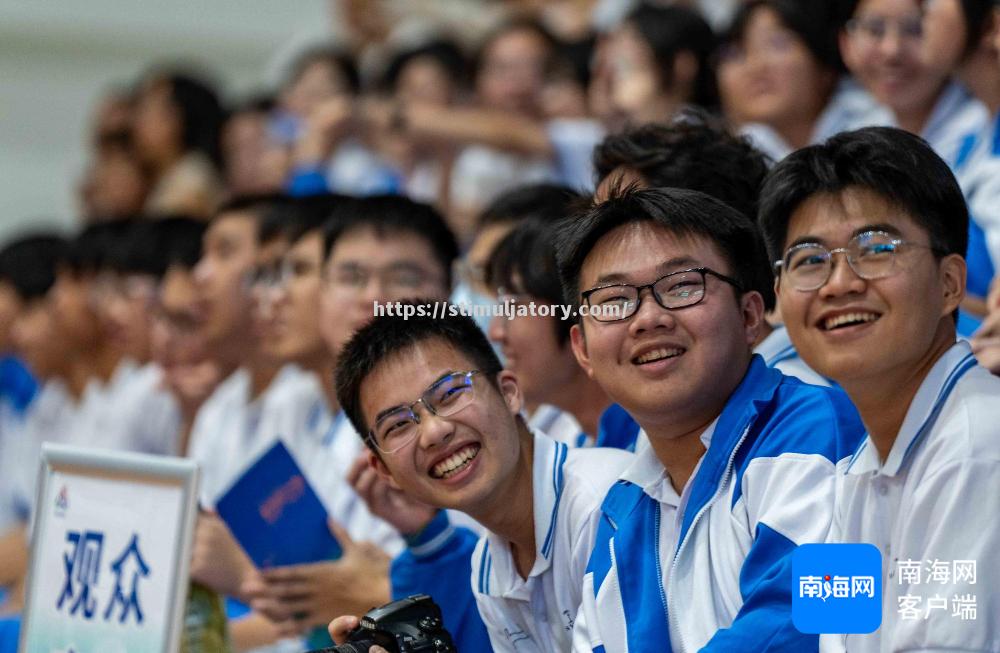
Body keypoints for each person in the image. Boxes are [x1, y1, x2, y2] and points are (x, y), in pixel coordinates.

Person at [554, 187, 865, 651]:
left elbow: (825, 618)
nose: (648, 318)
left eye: (681, 286)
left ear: (750, 315)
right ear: (583, 349)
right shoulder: (621, 512)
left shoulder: (819, 431)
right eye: (615, 300)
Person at [758, 126, 1000, 652]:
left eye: (876, 249)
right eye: (810, 260)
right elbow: (829, 637)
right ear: (778, 296)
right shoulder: (857, 464)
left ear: (950, 284)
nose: (839, 283)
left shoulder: (979, 448)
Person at [327, 309, 633, 652]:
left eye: (449, 394)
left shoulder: (605, 505)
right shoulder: (488, 565)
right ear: (383, 471)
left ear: (509, 392)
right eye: (398, 425)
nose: (434, 431)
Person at [716, 0, 886, 162]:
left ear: (824, 63)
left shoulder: (881, 128)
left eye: (778, 43)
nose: (755, 66)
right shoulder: (726, 155)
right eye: (735, 53)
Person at [838, 0, 989, 161]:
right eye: (875, 30)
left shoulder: (982, 133)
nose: (892, 51)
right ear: (846, 43)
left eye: (915, 29)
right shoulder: (855, 132)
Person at [133, 70, 225, 218]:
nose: (136, 122)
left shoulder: (190, 184)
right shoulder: (172, 175)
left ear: (179, 121)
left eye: (147, 110)